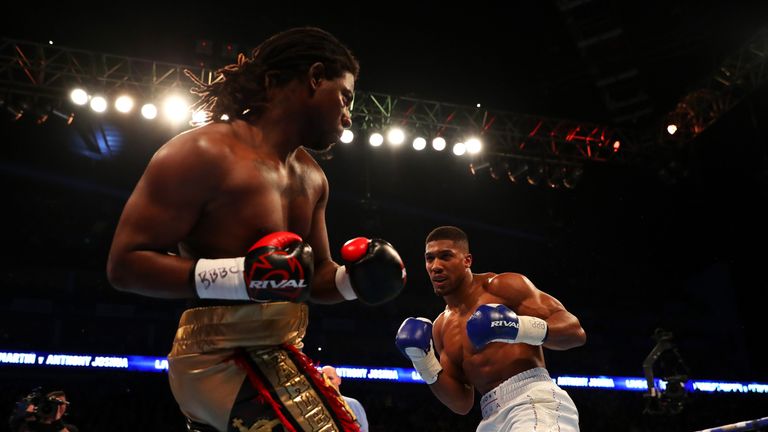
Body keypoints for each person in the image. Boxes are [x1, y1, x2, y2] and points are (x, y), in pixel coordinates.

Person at [106, 27, 406, 432]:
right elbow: (124, 265)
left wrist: (354, 281)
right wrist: (241, 276)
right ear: (315, 77)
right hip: (216, 357)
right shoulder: (203, 152)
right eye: (346, 96)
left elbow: (311, 278)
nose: (349, 115)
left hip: (280, 349)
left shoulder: (313, 178)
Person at [395, 226, 586, 431]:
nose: (435, 266)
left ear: (467, 260)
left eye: (445, 256)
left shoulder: (501, 287)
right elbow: (461, 403)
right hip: (489, 418)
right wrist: (424, 363)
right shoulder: (441, 327)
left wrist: (518, 327)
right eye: (429, 258)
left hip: (533, 401)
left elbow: (575, 332)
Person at [321, 366, 369, 432]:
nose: (327, 382)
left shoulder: (353, 404)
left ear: (339, 380)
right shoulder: (318, 404)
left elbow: (363, 430)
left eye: (330, 378)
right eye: (323, 379)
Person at [9, 389, 78, 432]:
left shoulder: (70, 429)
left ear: (65, 407)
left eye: (60, 403)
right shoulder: (30, 424)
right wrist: (28, 417)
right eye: (52, 404)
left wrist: (58, 423)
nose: (57, 407)